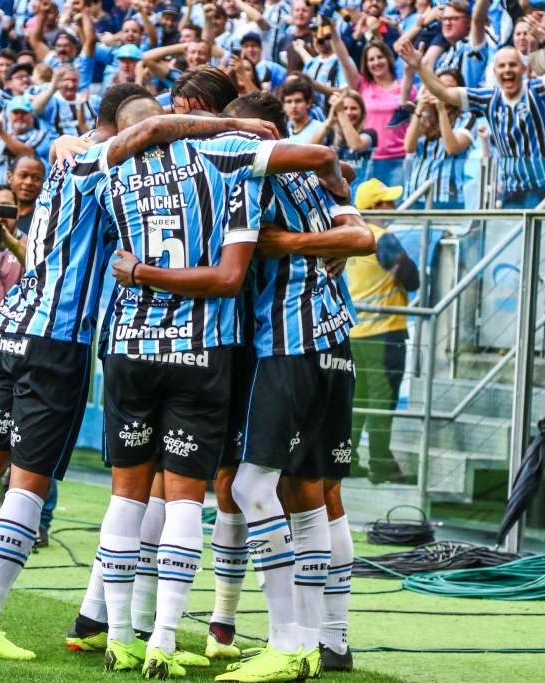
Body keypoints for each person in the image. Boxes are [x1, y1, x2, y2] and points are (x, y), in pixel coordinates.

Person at [0, 82, 262, 661]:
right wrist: (230, 130)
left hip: (12, 324)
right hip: (57, 340)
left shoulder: (63, 157)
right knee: (28, 481)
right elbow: (148, 138)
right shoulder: (106, 166)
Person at [93, 93, 348, 679]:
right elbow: (344, 210)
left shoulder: (108, 168)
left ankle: (125, 632)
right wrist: (331, 191)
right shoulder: (228, 160)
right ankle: (292, 639)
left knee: (166, 492)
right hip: (233, 347)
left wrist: (140, 272)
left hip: (161, 345)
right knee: (266, 491)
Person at [211, 90, 375, 679]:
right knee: (315, 493)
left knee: (252, 488)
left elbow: (361, 239)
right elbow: (360, 235)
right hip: (334, 344)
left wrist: (284, 245)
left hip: (287, 345)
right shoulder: (320, 184)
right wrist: (311, 236)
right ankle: (329, 641)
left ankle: (288, 642)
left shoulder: (249, 167)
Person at [399, 15, 545, 209]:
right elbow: (443, 92)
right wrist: (419, 67)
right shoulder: (487, 98)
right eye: (501, 66)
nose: (507, 70)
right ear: (494, 72)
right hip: (512, 188)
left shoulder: (536, 89)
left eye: (512, 65)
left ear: (523, 68)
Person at [349, 178, 419, 484]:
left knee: (356, 401)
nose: (394, 207)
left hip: (353, 334)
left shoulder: (348, 235)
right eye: (389, 202)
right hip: (384, 333)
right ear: (376, 207)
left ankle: (347, 459)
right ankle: (380, 463)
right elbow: (411, 279)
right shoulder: (383, 238)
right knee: (381, 401)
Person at [335, 33, 412, 188]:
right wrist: (332, 33)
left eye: (380, 57)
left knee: (393, 209)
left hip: (398, 160)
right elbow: (344, 61)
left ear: (388, 58)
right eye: (371, 59)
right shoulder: (362, 85)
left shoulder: (403, 87)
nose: (376, 62)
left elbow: (410, 73)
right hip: (368, 160)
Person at [403, 70, 476, 208]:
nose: (444, 90)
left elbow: (452, 148)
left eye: (450, 87)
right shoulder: (423, 116)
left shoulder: (467, 118)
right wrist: (419, 109)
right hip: (415, 194)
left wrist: (441, 110)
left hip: (447, 197)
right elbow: (409, 147)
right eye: (440, 85)